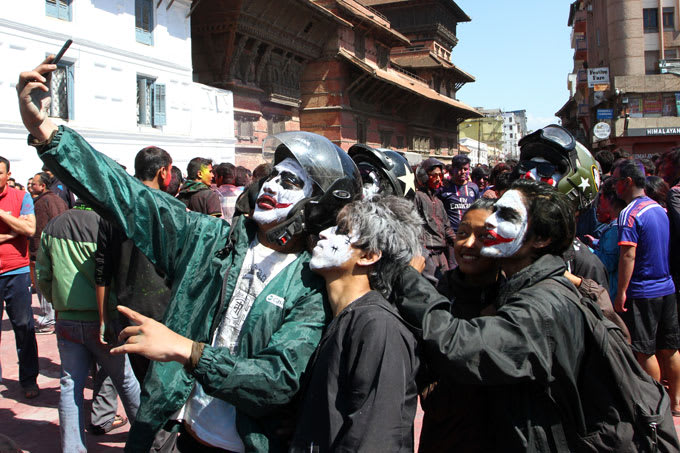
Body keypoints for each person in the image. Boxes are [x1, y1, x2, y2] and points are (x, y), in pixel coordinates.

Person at [18, 59, 363, 452]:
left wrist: (185, 350)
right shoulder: (209, 241)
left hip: (243, 444)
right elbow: (130, 197)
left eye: (289, 182)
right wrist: (45, 131)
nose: (271, 186)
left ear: (315, 206)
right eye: (272, 175)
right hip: (172, 431)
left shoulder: (311, 285)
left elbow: (276, 379)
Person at [396, 179, 597, 451]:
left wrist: (409, 277)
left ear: (541, 238)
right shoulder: (514, 288)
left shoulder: (541, 305)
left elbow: (460, 345)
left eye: (508, 216)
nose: (491, 225)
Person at [291, 196, 421, 452]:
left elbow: (375, 438)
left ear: (369, 256)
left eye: (341, 230)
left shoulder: (378, 326)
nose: (324, 233)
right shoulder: (343, 316)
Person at [35, 202, 140, 452]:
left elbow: (42, 275)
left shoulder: (54, 225)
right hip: (106, 319)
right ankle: (147, 438)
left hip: (67, 320)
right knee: (126, 380)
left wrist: (58, 302)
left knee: (70, 384)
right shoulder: (109, 225)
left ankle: (72, 447)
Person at [95, 146, 174, 382]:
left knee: (145, 382)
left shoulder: (114, 211)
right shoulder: (171, 208)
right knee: (168, 384)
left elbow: (102, 268)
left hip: (128, 313)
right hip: (166, 311)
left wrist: (103, 319)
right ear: (163, 172)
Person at [612, 159, 680, 414]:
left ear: (627, 182)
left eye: (616, 181)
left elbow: (628, 256)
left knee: (645, 350)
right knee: (670, 348)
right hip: (667, 288)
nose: (615, 187)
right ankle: (675, 403)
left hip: (642, 292)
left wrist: (621, 292)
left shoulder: (630, 214)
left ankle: (655, 407)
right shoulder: (659, 209)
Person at [0, 156, 39, 398]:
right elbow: (21, 229)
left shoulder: (21, 197)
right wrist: (12, 232)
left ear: (8, 174)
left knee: (24, 327)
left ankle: (28, 380)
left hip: (17, 271)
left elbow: (30, 230)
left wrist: (3, 216)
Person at [29, 171, 68, 333]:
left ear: (43, 186)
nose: (31, 187)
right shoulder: (59, 200)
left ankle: (48, 320)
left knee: (43, 284)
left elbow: (38, 230)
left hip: (44, 250)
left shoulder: (40, 203)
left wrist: (35, 252)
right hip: (59, 249)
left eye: (34, 184)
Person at [413, 157, 455, 286]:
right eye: (434, 175)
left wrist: (457, 242)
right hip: (427, 252)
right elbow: (413, 225)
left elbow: (446, 227)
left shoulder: (439, 202)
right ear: (424, 176)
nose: (438, 179)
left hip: (441, 252)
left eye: (440, 175)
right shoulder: (417, 197)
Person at [584, 178, 625, 299]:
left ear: (609, 199)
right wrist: (596, 242)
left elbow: (607, 263)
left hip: (612, 292)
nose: (598, 206)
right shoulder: (618, 225)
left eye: (601, 201)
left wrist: (588, 251)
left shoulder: (615, 228)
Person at [437, 154, 480, 234]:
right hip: (450, 235)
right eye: (459, 169)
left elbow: (477, 211)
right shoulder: (443, 188)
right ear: (453, 169)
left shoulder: (474, 188)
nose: (463, 172)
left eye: (465, 169)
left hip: (469, 233)